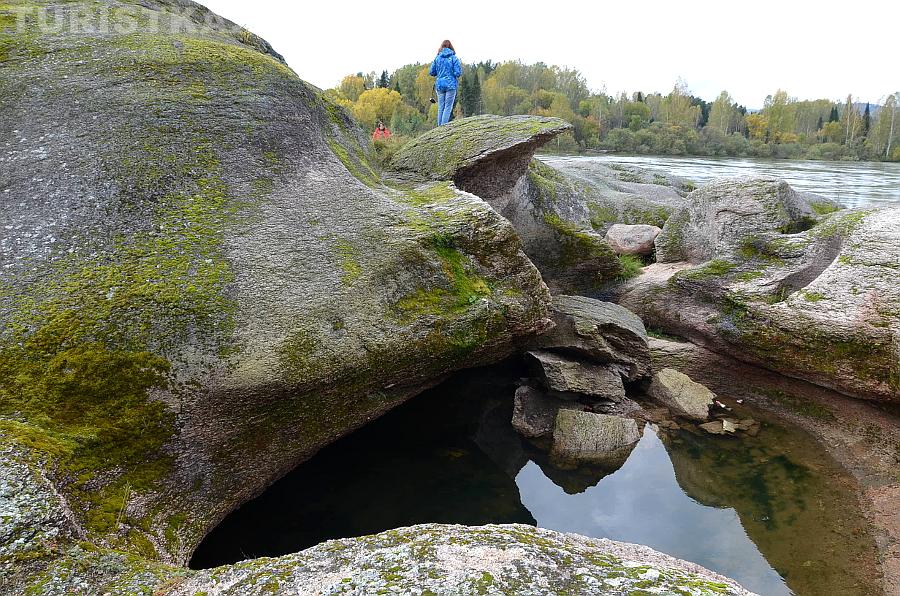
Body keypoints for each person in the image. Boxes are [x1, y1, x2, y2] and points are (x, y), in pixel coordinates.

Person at [429, 40, 462, 126]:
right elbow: (458, 73)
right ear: (451, 47)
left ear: (442, 47)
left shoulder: (437, 58)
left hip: (440, 85)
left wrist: (440, 72)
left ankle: (439, 127)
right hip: (450, 84)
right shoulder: (454, 58)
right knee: (448, 107)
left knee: (441, 107)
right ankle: (443, 128)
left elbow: (432, 72)